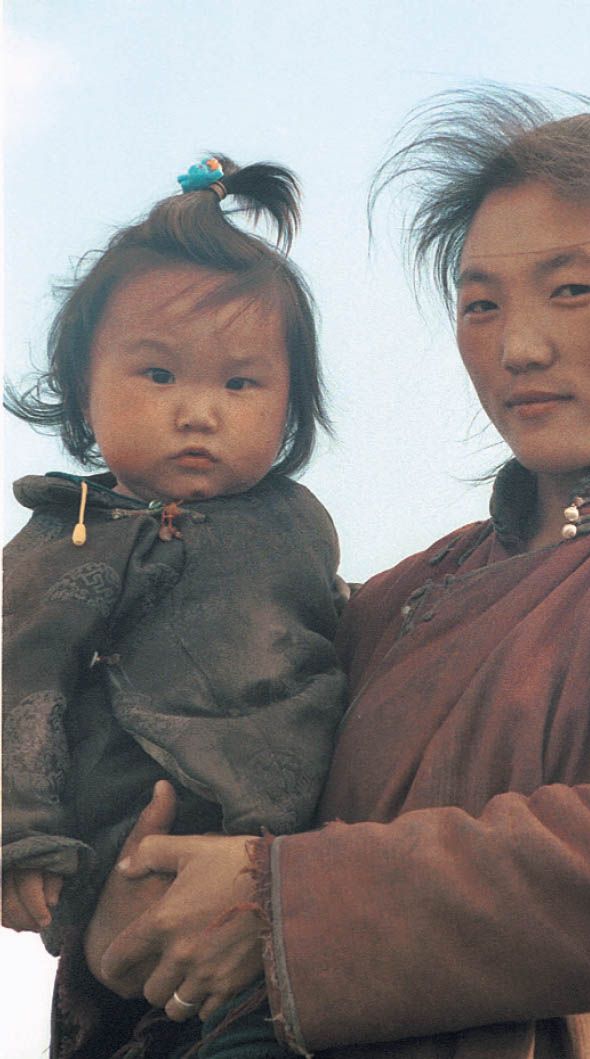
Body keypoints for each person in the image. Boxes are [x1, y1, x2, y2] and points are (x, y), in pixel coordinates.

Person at [80, 88, 590, 1058]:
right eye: (479, 304)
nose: (517, 347)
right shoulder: (396, 595)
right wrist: (112, 907)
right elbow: (223, 773)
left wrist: (276, 908)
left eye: (570, 291)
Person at [2, 155, 347, 1058]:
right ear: (83, 389)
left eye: (241, 385)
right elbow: (17, 686)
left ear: (290, 407)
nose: (199, 411)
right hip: (127, 864)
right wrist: (20, 840)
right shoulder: (66, 534)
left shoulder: (298, 527)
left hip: (289, 885)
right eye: (158, 376)